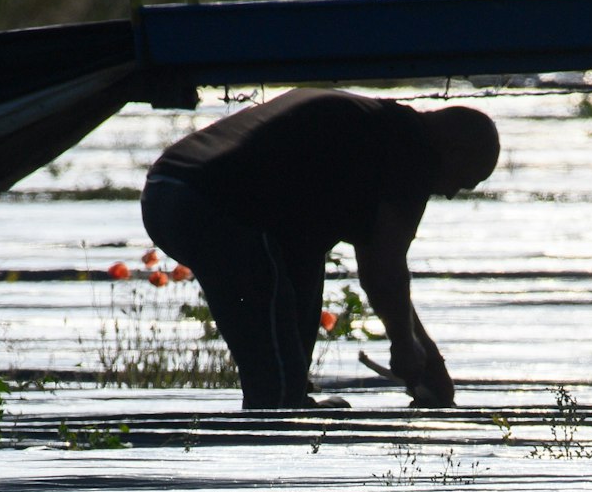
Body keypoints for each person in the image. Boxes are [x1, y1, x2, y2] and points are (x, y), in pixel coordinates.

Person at [141, 88, 500, 409]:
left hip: (166, 192)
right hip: (208, 203)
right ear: (452, 148)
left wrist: (421, 351)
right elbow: (383, 272)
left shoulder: (378, 129)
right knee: (275, 390)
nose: (451, 192)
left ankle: (291, 398)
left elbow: (379, 267)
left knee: (302, 266)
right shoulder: (410, 149)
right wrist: (409, 349)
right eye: (462, 180)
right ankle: (279, 414)